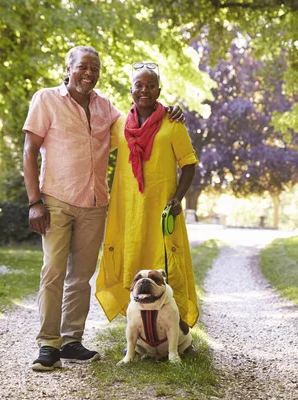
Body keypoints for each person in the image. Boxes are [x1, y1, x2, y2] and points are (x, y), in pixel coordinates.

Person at [22, 47, 184, 371]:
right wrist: (34, 202)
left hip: (95, 204)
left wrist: (170, 112)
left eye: (94, 68)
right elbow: (29, 150)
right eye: (83, 66)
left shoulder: (105, 107)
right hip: (55, 200)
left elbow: (140, 118)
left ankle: (70, 341)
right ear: (68, 68)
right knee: (53, 272)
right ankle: (47, 345)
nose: (89, 73)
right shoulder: (46, 99)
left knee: (81, 277)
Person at [95, 62, 199, 331]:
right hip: (128, 211)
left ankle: (177, 329)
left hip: (162, 209)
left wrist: (178, 197)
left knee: (166, 264)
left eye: (151, 85)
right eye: (139, 85)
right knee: (132, 262)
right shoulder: (118, 126)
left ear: (159, 90)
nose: (145, 90)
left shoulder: (172, 124)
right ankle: (141, 331)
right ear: (131, 90)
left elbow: (188, 164)